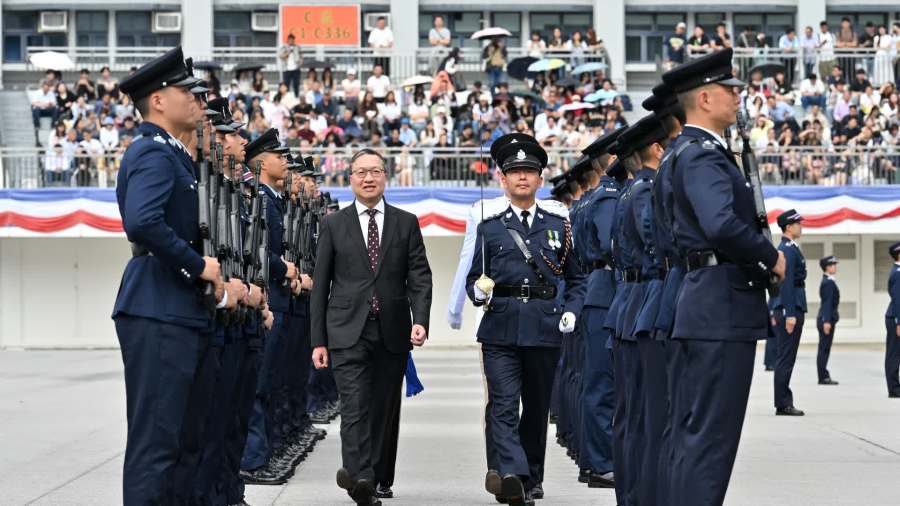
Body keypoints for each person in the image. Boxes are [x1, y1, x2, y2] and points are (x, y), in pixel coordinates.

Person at [658, 48, 786, 506]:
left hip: (702, 301)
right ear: (706, 98)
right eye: (731, 91)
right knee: (711, 439)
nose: (738, 99)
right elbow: (721, 225)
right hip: (719, 306)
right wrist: (771, 256)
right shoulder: (702, 156)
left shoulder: (682, 153)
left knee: (694, 435)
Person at [112, 46, 239, 505]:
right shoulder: (152, 152)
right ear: (159, 100)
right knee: (157, 446)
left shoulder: (176, 157)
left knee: (188, 442)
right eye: (187, 91)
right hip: (158, 309)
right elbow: (142, 221)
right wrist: (197, 263)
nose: (198, 101)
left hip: (181, 311)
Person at [466, 133, 585, 506]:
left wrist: (571, 310)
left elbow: (577, 279)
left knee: (535, 408)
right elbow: (473, 280)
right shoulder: (491, 227)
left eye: (528, 172)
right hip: (500, 328)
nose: (521, 177)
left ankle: (531, 476)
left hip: (544, 326)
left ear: (540, 178)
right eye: (514, 171)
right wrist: (479, 292)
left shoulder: (559, 225)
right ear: (502, 178)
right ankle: (512, 474)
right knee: (502, 403)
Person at [310, 148, 432, 506]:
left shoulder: (406, 222)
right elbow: (321, 285)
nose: (368, 178)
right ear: (350, 178)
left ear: (385, 177)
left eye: (375, 171)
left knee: (383, 407)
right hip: (347, 330)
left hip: (392, 330)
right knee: (354, 405)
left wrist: (420, 319)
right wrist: (318, 340)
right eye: (360, 172)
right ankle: (359, 475)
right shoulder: (334, 224)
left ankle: (379, 476)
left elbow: (419, 277)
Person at [772, 209, 807, 416]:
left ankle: (783, 400)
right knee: (785, 357)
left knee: (787, 357)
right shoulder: (787, 249)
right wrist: (790, 313)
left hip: (793, 306)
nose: (800, 226)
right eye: (797, 224)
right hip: (790, 308)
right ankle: (783, 403)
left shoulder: (791, 248)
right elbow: (785, 284)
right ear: (788, 227)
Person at [817, 255, 840, 385]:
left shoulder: (828, 281)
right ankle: (823, 376)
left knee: (824, 348)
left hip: (827, 318)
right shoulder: (828, 283)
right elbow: (827, 303)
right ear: (827, 267)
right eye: (833, 265)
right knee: (824, 349)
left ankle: (823, 374)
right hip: (826, 319)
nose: (835, 267)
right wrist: (827, 321)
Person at [885, 241, 900, 398]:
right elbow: (897, 299)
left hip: (896, 315)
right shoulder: (897, 273)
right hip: (895, 317)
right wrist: (898, 321)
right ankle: (894, 389)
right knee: (894, 354)